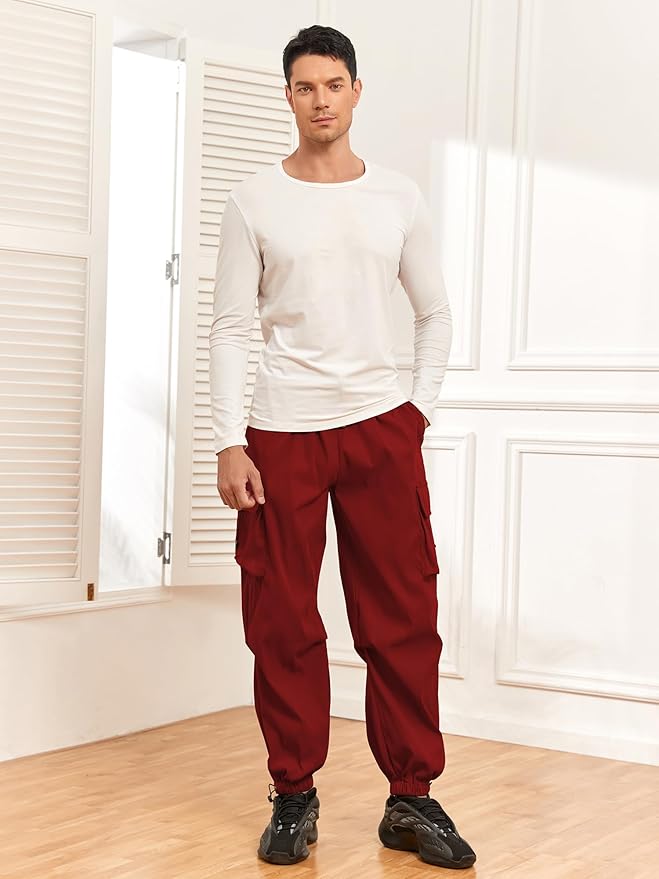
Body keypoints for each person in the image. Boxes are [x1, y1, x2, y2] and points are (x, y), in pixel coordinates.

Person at [209, 24, 477, 871]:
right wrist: (227, 439)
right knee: (281, 621)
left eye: (333, 84)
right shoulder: (253, 200)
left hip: (378, 430)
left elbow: (433, 312)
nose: (319, 100)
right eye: (304, 87)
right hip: (279, 434)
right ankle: (293, 793)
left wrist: (414, 413)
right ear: (287, 96)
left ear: (356, 91)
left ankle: (411, 797)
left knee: (402, 618)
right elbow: (228, 325)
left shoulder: (397, 196)